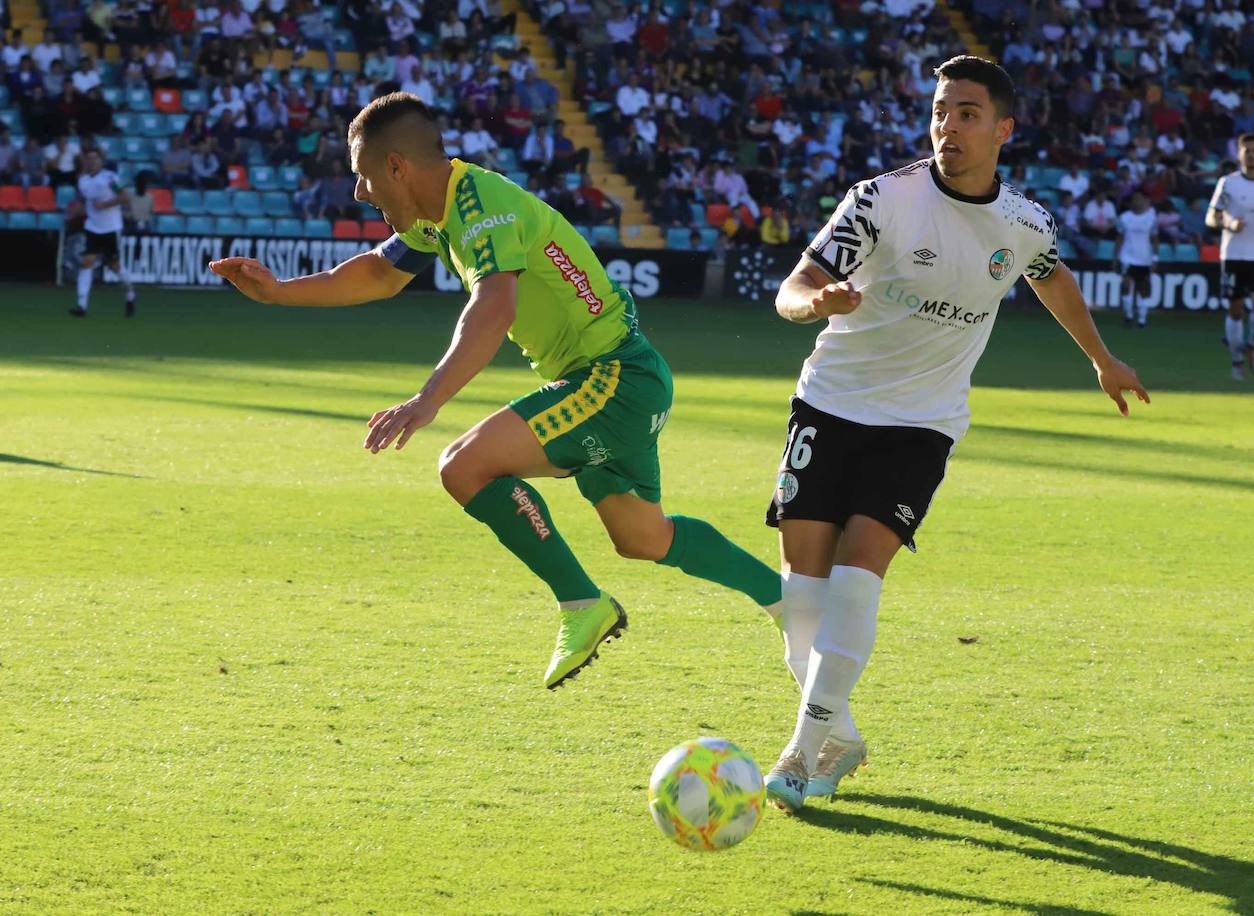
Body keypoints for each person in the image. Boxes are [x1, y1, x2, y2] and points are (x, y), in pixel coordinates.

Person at [209, 92, 783, 689]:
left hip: (611, 378)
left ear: (397, 167)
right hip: (622, 378)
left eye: (364, 176)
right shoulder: (439, 211)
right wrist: (278, 291)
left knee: (465, 466)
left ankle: (582, 604)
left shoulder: (481, 206)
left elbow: (493, 304)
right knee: (644, 537)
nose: (360, 193)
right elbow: (378, 273)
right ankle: (788, 602)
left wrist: (428, 398)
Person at [761, 57, 1148, 814]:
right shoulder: (878, 202)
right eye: (941, 111)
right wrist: (815, 305)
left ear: (1003, 129)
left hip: (921, 424)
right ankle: (838, 731)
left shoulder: (1024, 223)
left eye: (967, 113)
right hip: (831, 405)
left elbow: (1052, 277)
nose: (948, 126)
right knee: (802, 600)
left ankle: (803, 752)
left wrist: (1102, 359)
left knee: (859, 571)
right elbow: (791, 289)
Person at [1206, 134, 1254, 380]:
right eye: (1246, 150)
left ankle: (1251, 346)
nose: (1251, 154)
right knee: (1236, 310)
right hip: (1233, 254)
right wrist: (1228, 222)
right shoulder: (1227, 183)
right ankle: (1237, 362)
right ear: (1239, 154)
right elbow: (1211, 217)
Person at [71, 149, 137, 318]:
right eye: (89, 158)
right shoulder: (83, 180)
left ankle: (130, 293)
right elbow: (83, 201)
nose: (92, 161)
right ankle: (81, 305)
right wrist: (74, 212)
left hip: (110, 228)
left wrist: (106, 204)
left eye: (95, 158)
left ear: (101, 161)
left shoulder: (110, 178)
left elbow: (125, 196)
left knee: (115, 266)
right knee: (87, 262)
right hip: (92, 227)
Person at [1116, 192, 1157, 328]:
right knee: (1127, 284)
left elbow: (1155, 238)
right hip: (1127, 256)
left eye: (1140, 199)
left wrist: (1155, 257)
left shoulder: (1151, 218)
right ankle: (1128, 316)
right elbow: (1120, 237)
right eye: (1135, 199)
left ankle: (1142, 319)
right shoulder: (1124, 218)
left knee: (1143, 288)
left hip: (1144, 258)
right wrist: (1115, 256)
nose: (1137, 202)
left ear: (1145, 200)